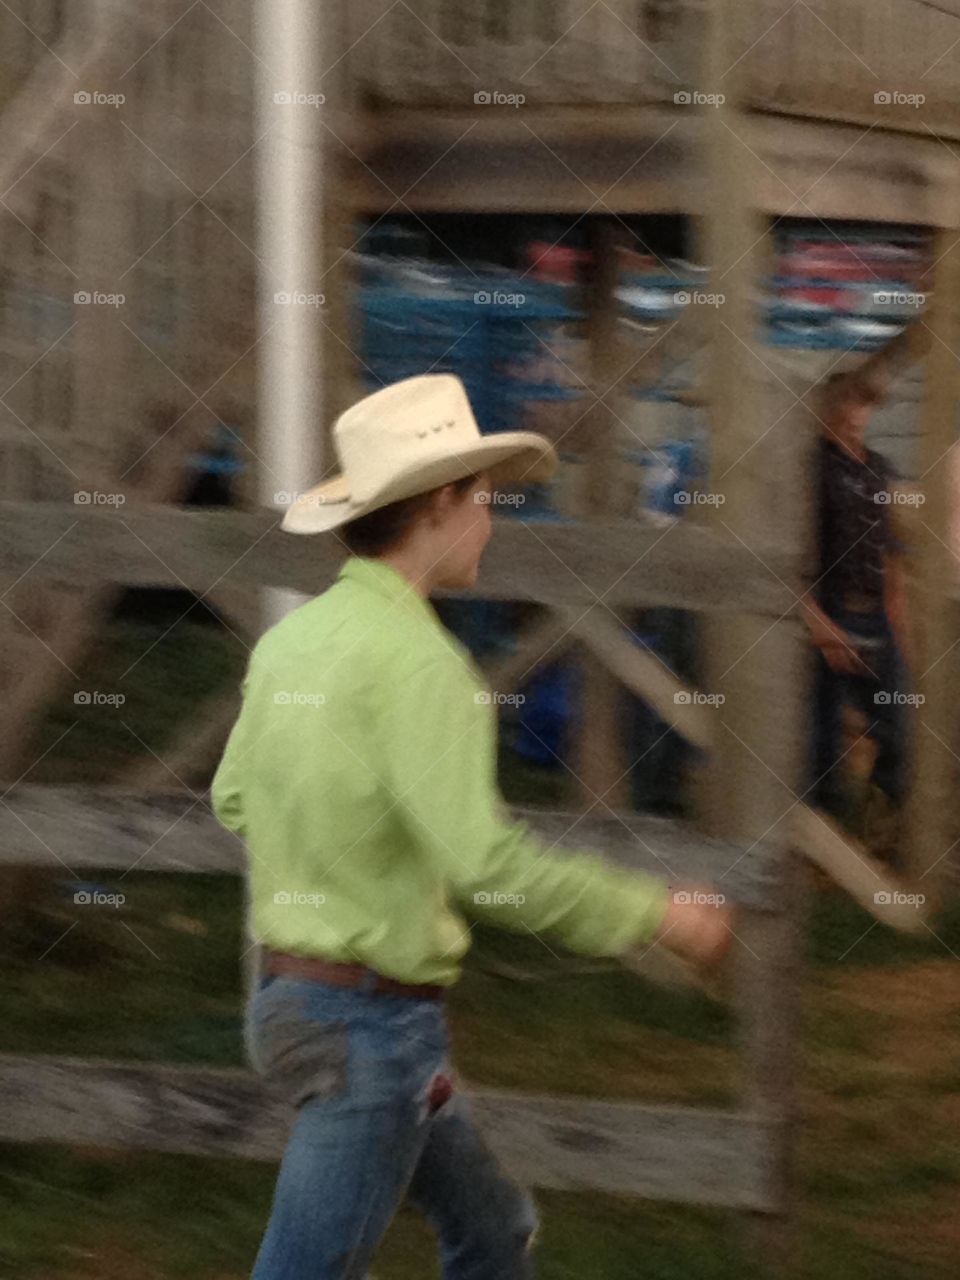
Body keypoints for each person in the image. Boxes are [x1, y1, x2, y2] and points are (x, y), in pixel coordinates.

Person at [210, 373, 732, 1280]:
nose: (492, 521)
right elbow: (487, 866)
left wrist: (343, 847)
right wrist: (654, 914)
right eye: (485, 501)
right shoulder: (425, 668)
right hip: (369, 1032)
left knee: (494, 1233)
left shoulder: (294, 641)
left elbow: (234, 797)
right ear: (442, 505)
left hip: (291, 1005)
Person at [802, 370, 914, 843]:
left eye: (864, 405)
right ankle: (818, 846)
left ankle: (877, 820)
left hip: (874, 617)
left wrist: (903, 635)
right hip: (828, 611)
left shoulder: (879, 468)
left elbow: (888, 558)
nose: (855, 415)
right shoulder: (810, 467)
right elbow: (790, 555)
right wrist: (816, 621)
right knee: (820, 740)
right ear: (826, 410)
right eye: (845, 405)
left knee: (902, 731)